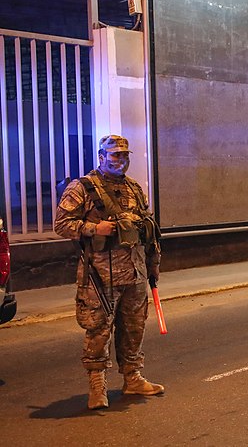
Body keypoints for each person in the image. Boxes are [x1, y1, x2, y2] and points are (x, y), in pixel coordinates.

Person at [54, 135, 163, 410]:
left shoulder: (135, 188)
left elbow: (148, 230)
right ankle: (97, 386)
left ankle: (132, 378)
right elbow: (61, 224)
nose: (121, 160)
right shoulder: (82, 188)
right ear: (101, 157)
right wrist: (94, 229)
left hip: (135, 271)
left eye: (125, 155)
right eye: (115, 155)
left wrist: (153, 263)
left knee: (134, 328)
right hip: (100, 275)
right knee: (98, 330)